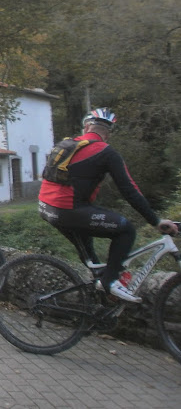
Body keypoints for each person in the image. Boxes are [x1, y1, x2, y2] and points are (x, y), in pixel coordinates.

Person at [39, 108, 178, 303]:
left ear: (87, 126)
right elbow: (129, 191)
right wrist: (155, 221)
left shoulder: (66, 144)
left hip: (46, 208)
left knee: (93, 261)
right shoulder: (106, 152)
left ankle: (97, 308)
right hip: (69, 210)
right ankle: (110, 283)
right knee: (126, 230)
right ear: (108, 131)